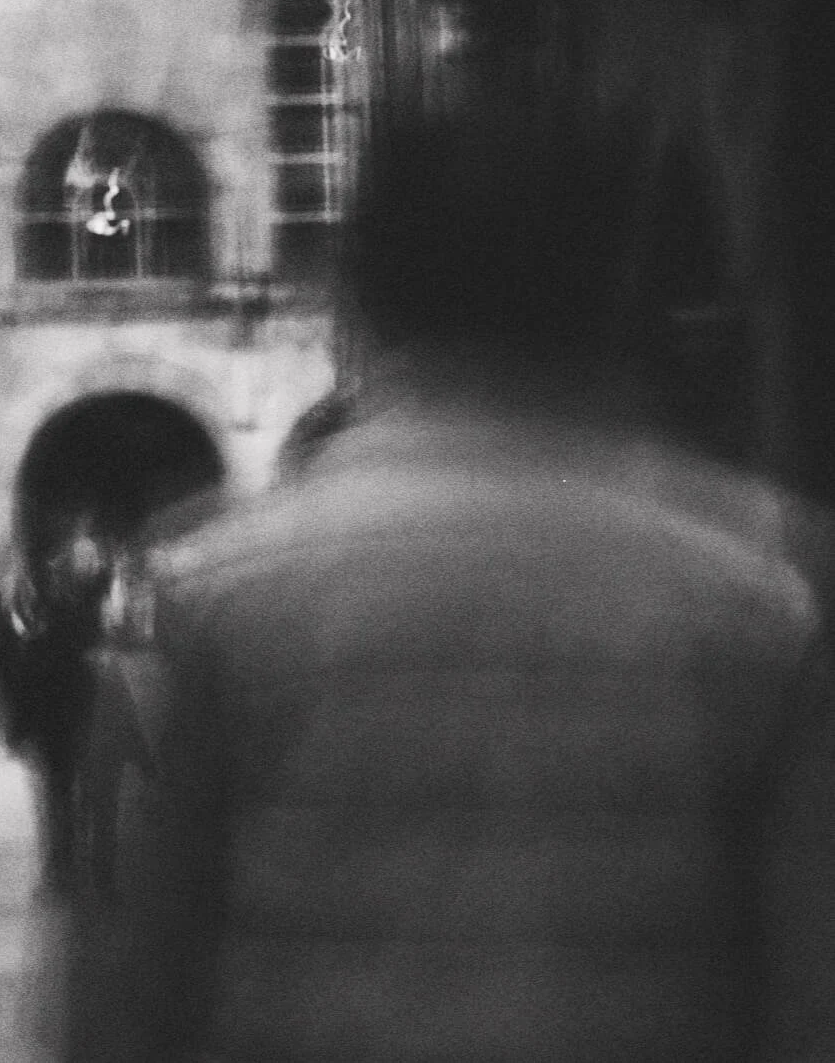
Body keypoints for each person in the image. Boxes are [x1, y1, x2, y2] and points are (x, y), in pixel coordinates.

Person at [52, 97, 835, 1059]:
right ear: (623, 287)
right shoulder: (774, 591)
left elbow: (110, 996)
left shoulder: (189, 600)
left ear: (362, 292)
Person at [0, 515, 113, 894]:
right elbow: (7, 660)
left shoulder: (32, 605)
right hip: (66, 710)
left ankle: (64, 866)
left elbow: (8, 661)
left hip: (55, 711)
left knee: (60, 793)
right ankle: (71, 866)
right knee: (69, 791)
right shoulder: (47, 604)